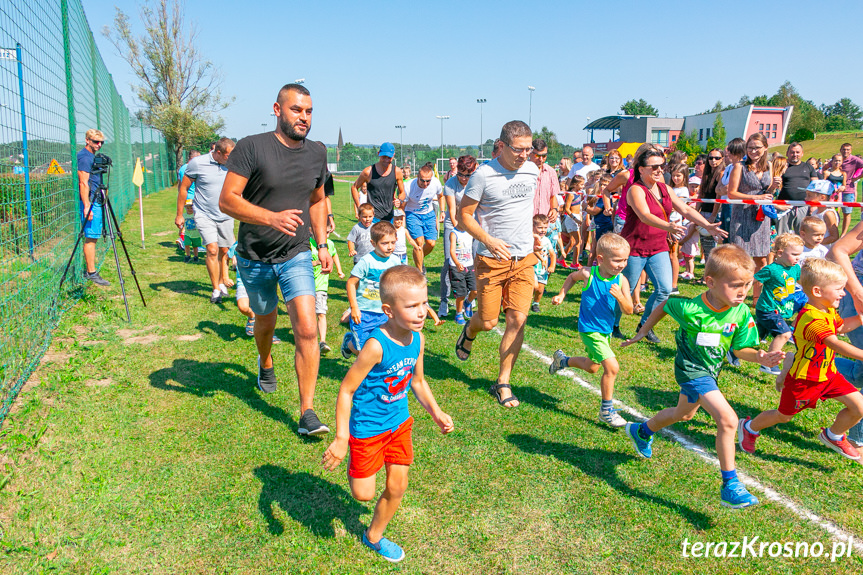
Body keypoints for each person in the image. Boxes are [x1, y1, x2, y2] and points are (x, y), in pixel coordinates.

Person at [622, 244, 785, 508]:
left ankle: (641, 430)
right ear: (710, 282)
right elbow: (665, 304)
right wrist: (643, 330)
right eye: (735, 285)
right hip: (690, 370)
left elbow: (740, 349)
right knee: (728, 420)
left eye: (746, 284)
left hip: (710, 372)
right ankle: (730, 485)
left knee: (683, 414)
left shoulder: (741, 311)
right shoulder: (690, 309)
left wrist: (760, 357)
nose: (743, 291)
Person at [218, 83, 332, 436]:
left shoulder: (317, 152)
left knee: (307, 328)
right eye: (296, 109)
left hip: (296, 252)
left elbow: (316, 199)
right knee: (265, 321)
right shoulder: (252, 147)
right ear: (277, 109)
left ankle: (307, 411)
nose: (304, 117)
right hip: (255, 256)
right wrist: (271, 218)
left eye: (309, 111)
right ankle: (265, 361)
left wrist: (322, 243)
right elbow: (227, 200)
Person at [321, 266, 454, 563]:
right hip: (367, 428)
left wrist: (436, 412)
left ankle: (373, 536)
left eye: (424, 304)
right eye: (412, 306)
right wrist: (342, 439)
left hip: (398, 424)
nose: (421, 313)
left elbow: (417, 381)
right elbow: (346, 390)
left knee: (398, 485)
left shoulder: (418, 339)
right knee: (363, 495)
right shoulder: (375, 346)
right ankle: (358, 461)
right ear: (388, 310)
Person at [738, 258, 863, 461]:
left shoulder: (828, 310)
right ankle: (749, 427)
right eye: (839, 288)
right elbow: (835, 343)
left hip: (828, 375)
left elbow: (839, 328)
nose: (843, 293)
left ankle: (833, 435)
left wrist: (859, 318)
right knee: (783, 416)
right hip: (805, 380)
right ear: (817, 292)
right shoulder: (810, 318)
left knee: (859, 406)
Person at [454, 120, 540, 408]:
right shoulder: (483, 175)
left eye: (528, 149)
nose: (524, 155)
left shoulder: (532, 170)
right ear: (502, 145)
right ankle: (469, 330)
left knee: (517, 320)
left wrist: (535, 235)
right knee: (489, 322)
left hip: (524, 258)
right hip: (491, 259)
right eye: (519, 149)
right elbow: (463, 215)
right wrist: (488, 240)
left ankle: (503, 383)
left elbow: (524, 208)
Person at [614, 147, 726, 343]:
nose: (660, 170)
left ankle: (645, 325)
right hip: (634, 247)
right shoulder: (635, 190)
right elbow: (644, 215)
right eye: (655, 167)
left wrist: (708, 225)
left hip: (658, 247)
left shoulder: (665, 188)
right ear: (641, 169)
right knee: (626, 290)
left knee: (665, 289)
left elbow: (684, 208)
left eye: (662, 166)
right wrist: (669, 226)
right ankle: (612, 324)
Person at [549, 233, 633, 427]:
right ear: (601, 259)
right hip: (589, 329)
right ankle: (606, 410)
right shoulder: (589, 274)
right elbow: (571, 276)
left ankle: (562, 361)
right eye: (617, 260)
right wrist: (562, 294)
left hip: (605, 332)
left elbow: (628, 310)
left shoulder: (622, 281)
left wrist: (620, 297)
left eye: (625, 260)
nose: (622, 264)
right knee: (612, 367)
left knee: (591, 367)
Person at [176, 137, 236, 304]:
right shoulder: (197, 164)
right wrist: (179, 214)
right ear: (217, 152)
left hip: (225, 214)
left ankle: (223, 278)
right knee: (212, 249)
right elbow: (184, 188)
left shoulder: (232, 163)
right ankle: (216, 288)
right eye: (227, 156)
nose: (230, 159)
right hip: (204, 214)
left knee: (224, 251)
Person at [727, 133, 777, 300]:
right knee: (741, 260)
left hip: (761, 218)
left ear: (765, 149)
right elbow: (732, 193)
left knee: (762, 260)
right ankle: (737, 295)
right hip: (742, 216)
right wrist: (756, 198)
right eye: (750, 148)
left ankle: (757, 299)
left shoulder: (769, 165)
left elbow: (767, 193)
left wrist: (774, 188)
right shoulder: (739, 167)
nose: (753, 151)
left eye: (757, 147)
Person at [341, 221, 401, 358]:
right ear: (373, 243)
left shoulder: (396, 261)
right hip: (364, 313)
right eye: (385, 243)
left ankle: (375, 377)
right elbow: (351, 283)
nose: (390, 247)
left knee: (381, 349)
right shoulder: (366, 261)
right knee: (361, 350)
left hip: (386, 313)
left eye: (393, 242)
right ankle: (349, 344)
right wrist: (354, 307)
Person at [753, 234, 804, 375]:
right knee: (785, 334)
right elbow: (754, 279)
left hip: (781, 309)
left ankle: (733, 350)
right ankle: (769, 364)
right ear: (780, 253)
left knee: (754, 337)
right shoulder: (772, 269)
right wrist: (742, 291)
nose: (797, 258)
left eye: (799, 254)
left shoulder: (795, 268)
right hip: (767, 309)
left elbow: (802, 282)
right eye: (794, 254)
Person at [439, 156, 478, 317]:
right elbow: (453, 212)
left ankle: (469, 299)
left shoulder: (476, 182)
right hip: (454, 225)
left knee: (473, 259)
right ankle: (444, 300)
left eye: (467, 175)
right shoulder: (450, 184)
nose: (463, 178)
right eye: (461, 174)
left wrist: (472, 229)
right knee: (450, 263)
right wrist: (460, 229)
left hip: (473, 225)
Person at [76, 128, 110, 286]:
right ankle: (91, 272)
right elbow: (83, 182)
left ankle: (91, 270)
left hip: (97, 199)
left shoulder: (91, 156)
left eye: (101, 142)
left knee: (94, 235)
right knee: (91, 237)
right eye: (96, 142)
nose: (99, 145)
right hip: (90, 201)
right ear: (87, 140)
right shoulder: (84, 157)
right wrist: (86, 205)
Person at [403, 164, 443, 273]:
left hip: (429, 213)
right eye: (422, 181)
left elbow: (441, 196)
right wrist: (402, 220)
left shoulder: (435, 183)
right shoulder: (409, 186)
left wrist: (442, 211)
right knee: (419, 243)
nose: (425, 184)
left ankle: (418, 258)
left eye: (428, 181)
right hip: (412, 214)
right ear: (417, 176)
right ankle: (420, 272)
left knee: (431, 243)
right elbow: (402, 206)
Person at [352, 144, 405, 222]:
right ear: (378, 154)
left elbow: (402, 192)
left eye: (389, 158)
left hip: (389, 216)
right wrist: (359, 207)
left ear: (393, 156)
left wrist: (399, 200)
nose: (386, 160)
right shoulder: (368, 172)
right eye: (384, 157)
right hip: (372, 218)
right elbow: (354, 187)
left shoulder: (397, 171)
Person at [312, 231, 344, 355]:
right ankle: (307, 340)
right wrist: (317, 262)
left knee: (321, 313)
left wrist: (339, 270)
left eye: (328, 232)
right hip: (306, 285)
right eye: (323, 232)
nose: (325, 235)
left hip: (321, 285)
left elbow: (334, 254)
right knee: (307, 315)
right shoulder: (306, 244)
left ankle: (322, 342)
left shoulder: (329, 244)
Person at [776, 142, 818, 235]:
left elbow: (815, 186)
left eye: (797, 152)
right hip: (784, 206)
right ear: (787, 153)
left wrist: (814, 204)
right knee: (782, 235)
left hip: (803, 206)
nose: (795, 155)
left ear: (802, 153)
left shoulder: (808, 167)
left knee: (803, 234)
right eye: (792, 152)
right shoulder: (781, 166)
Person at [448, 223, 477, 326]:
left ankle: (468, 303)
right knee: (461, 293)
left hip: (469, 265)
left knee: (475, 290)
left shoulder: (470, 231)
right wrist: (457, 263)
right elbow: (451, 251)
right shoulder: (454, 233)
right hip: (457, 267)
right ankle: (459, 314)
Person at [176, 149, 202, 249]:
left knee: (187, 219)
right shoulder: (191, 168)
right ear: (193, 158)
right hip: (192, 198)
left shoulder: (182, 168)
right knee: (194, 221)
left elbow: (179, 185)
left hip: (184, 198)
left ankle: (182, 238)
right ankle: (189, 241)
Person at [530, 214, 556, 313]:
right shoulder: (531, 239)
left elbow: (552, 254)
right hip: (532, 267)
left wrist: (552, 265)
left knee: (540, 289)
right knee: (533, 286)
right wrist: (541, 259)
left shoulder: (546, 240)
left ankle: (535, 304)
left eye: (545, 228)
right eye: (540, 227)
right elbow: (533, 251)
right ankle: (526, 302)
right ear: (533, 227)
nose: (543, 230)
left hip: (543, 270)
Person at [529, 139, 559, 223]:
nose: (541, 159)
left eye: (544, 156)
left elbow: (553, 196)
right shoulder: (522, 171)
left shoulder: (551, 172)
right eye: (537, 155)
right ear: (530, 154)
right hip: (526, 221)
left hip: (544, 223)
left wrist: (554, 209)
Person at [836, 143, 863, 235]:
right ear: (840, 150)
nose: (845, 151)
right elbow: (826, 167)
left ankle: (843, 234)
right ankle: (834, 232)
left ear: (851, 151)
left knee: (846, 213)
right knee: (834, 212)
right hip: (836, 190)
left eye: (848, 149)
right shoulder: (837, 158)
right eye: (844, 149)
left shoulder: (855, 160)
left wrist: (857, 177)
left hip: (848, 189)